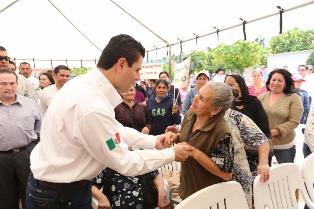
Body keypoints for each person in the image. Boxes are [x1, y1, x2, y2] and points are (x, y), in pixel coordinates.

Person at [26, 34, 192, 209]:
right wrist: (171, 154)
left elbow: (114, 130)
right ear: (121, 64)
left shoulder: (86, 87)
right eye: (137, 69)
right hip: (59, 195)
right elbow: (125, 162)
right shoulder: (91, 104)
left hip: (66, 187)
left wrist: (152, 141)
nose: (138, 77)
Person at [92, 85, 169, 209]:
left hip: (138, 144)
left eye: (132, 90)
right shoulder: (109, 153)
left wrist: (162, 193)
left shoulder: (142, 107)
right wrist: (102, 199)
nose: (129, 92)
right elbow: (90, 183)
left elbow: (155, 173)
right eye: (126, 90)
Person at [171, 82, 235, 199]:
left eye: (201, 98)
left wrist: (195, 153)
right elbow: (191, 139)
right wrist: (177, 136)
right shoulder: (190, 115)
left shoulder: (222, 132)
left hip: (208, 198)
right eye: (197, 94)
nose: (194, 99)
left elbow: (226, 174)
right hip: (188, 189)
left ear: (215, 110)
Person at [0, 69, 42, 209]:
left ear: (17, 84)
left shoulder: (30, 104)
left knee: (30, 193)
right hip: (1, 159)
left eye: (12, 83)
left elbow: (40, 127)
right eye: (3, 84)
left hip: (27, 155)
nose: (9, 87)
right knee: (5, 196)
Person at [259, 69, 303, 164]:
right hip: (264, 143)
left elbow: (294, 121)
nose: (275, 83)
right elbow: (254, 118)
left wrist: (272, 133)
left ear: (286, 83)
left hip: (284, 144)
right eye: (273, 80)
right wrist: (264, 135)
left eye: (280, 80)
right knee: (265, 175)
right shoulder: (261, 97)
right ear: (269, 81)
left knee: (286, 174)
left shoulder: (294, 98)